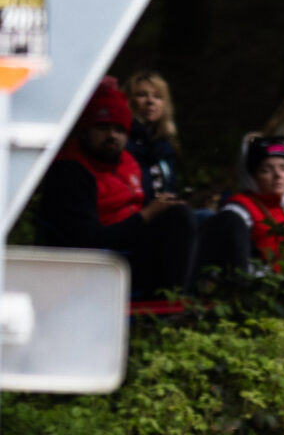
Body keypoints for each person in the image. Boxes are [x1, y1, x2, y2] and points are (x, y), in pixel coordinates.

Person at [36, 77, 197, 295]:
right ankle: (172, 299)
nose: (112, 136)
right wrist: (147, 215)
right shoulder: (70, 171)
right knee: (179, 218)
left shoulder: (128, 162)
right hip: (98, 264)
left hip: (132, 248)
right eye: (103, 127)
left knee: (200, 219)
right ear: (85, 130)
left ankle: (208, 291)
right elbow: (88, 241)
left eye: (119, 130)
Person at [205, 136, 284, 273]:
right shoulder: (237, 211)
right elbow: (236, 264)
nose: (278, 175)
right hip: (262, 283)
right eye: (266, 170)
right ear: (252, 176)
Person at [124, 70, 180, 200]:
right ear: (129, 100)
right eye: (142, 95)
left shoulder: (164, 144)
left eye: (157, 96)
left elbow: (170, 187)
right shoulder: (123, 142)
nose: (150, 101)